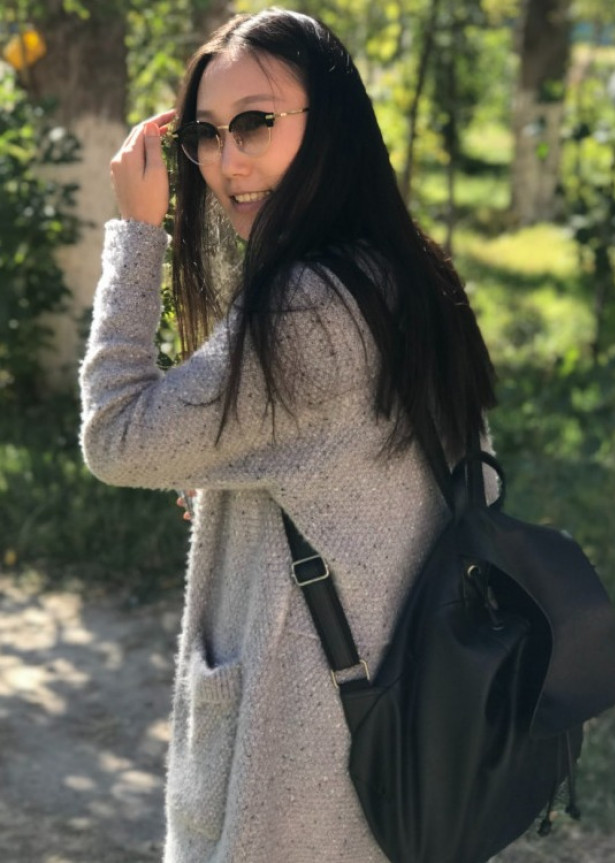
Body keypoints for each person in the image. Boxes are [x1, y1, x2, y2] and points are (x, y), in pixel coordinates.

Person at [79, 8, 496, 862]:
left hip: (300, 758)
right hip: (403, 726)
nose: (227, 161)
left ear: (330, 124)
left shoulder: (307, 307)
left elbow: (115, 435)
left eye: (256, 123)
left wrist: (136, 235)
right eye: (205, 133)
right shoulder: (402, 270)